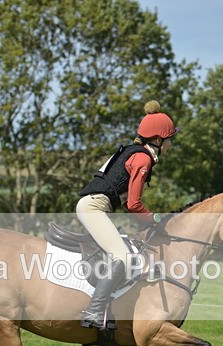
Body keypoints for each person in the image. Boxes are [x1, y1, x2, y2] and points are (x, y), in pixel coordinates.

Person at [76, 100, 179, 330]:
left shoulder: (135, 152)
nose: (171, 144)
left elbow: (127, 203)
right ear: (159, 139)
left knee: (125, 247)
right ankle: (94, 311)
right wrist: (154, 219)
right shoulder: (143, 158)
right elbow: (133, 204)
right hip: (94, 207)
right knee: (122, 255)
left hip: (95, 205)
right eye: (170, 139)